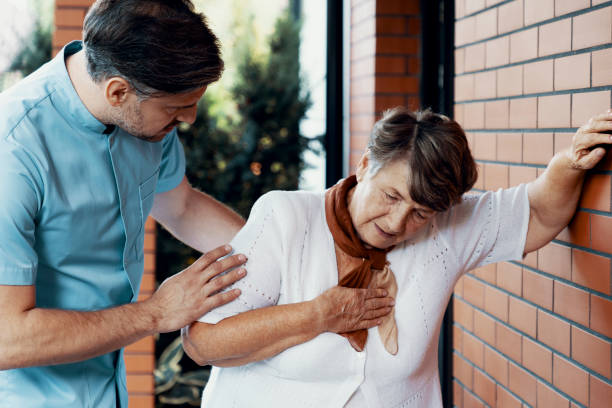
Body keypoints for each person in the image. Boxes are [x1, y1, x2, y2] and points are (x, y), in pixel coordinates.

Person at [0, 2, 390, 406]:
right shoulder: (13, 153)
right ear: (117, 91)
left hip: (107, 389)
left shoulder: (142, 112)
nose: (189, 119)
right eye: (175, 109)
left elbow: (182, 207)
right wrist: (158, 313)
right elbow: (7, 338)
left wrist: (295, 268)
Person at [183, 106, 612, 407]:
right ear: (365, 164)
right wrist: (317, 315)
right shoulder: (285, 218)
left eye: (420, 212)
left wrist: (569, 165)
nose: (397, 221)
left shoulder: (443, 231)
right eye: (391, 196)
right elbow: (203, 341)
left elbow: (536, 212)